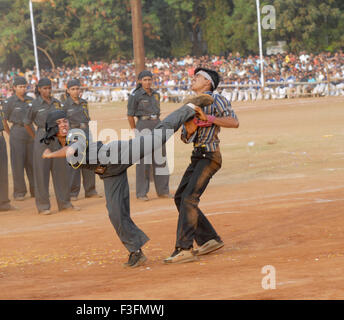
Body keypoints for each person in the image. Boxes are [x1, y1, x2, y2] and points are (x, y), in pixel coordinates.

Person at [42, 94, 213, 267]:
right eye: (59, 123)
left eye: (65, 121)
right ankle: (136, 252)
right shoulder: (62, 142)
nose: (64, 124)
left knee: (158, 137)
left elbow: (71, 151)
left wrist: (50, 155)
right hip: (109, 172)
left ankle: (189, 108)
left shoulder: (75, 133)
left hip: (118, 154)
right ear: (51, 128)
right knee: (115, 213)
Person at [163, 67, 239, 264]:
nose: (193, 79)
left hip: (210, 155)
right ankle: (209, 239)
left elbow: (234, 122)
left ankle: (184, 248)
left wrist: (209, 119)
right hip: (198, 154)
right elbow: (185, 138)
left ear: (208, 83)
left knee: (189, 198)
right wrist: (190, 129)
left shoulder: (216, 98)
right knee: (181, 197)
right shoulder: (190, 105)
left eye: (198, 77)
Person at [24, 78, 78, 214]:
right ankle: (43, 206)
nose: (47, 90)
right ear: (39, 89)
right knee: (41, 173)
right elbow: (27, 123)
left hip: (58, 138)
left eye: (49, 88)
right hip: (42, 137)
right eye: (44, 88)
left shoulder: (57, 103)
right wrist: (36, 137)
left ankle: (64, 203)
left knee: (61, 172)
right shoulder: (34, 104)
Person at [127, 70, 171, 201]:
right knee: (143, 161)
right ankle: (141, 193)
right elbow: (130, 115)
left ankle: (163, 191)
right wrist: (135, 130)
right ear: (140, 81)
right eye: (145, 80)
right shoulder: (135, 95)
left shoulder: (156, 94)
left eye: (149, 79)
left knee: (160, 158)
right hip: (143, 125)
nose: (147, 82)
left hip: (157, 124)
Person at [62, 79, 101, 201]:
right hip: (73, 133)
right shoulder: (65, 105)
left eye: (77, 88)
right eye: (72, 89)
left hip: (86, 132)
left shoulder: (84, 102)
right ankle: (73, 192)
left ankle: (90, 190)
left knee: (89, 160)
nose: (75, 91)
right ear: (68, 91)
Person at [2, 76, 35, 201]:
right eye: (20, 87)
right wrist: (11, 133)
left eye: (24, 86)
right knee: (18, 163)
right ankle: (19, 192)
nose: (22, 89)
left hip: (31, 132)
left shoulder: (31, 100)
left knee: (33, 162)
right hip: (17, 131)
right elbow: (4, 120)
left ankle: (35, 190)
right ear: (14, 88)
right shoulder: (9, 102)